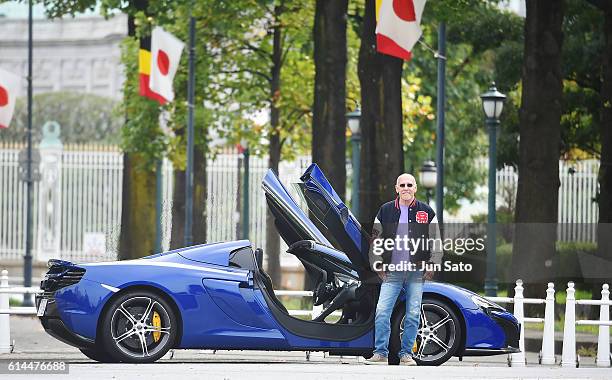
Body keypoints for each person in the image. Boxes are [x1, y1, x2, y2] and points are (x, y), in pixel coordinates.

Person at [364, 173, 442, 365]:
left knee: (413, 313)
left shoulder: (427, 212)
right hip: (393, 272)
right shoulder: (385, 210)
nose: (406, 188)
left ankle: (406, 354)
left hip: (416, 271)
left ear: (415, 188)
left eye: (410, 185)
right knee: (382, 311)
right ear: (396, 188)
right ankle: (380, 353)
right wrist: (377, 264)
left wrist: (433, 263)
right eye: (402, 185)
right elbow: (376, 240)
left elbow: (436, 241)